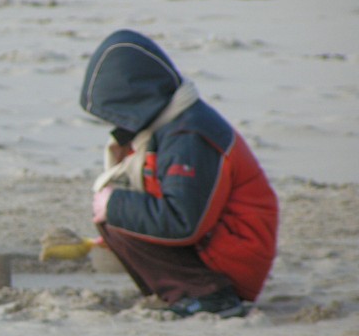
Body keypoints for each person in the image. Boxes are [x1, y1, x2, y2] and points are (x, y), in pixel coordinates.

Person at [80, 29, 278, 318]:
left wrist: (116, 206)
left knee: (116, 210)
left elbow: (184, 221)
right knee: (115, 214)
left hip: (235, 258)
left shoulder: (189, 135)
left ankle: (211, 296)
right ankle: (183, 291)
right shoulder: (174, 121)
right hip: (221, 245)